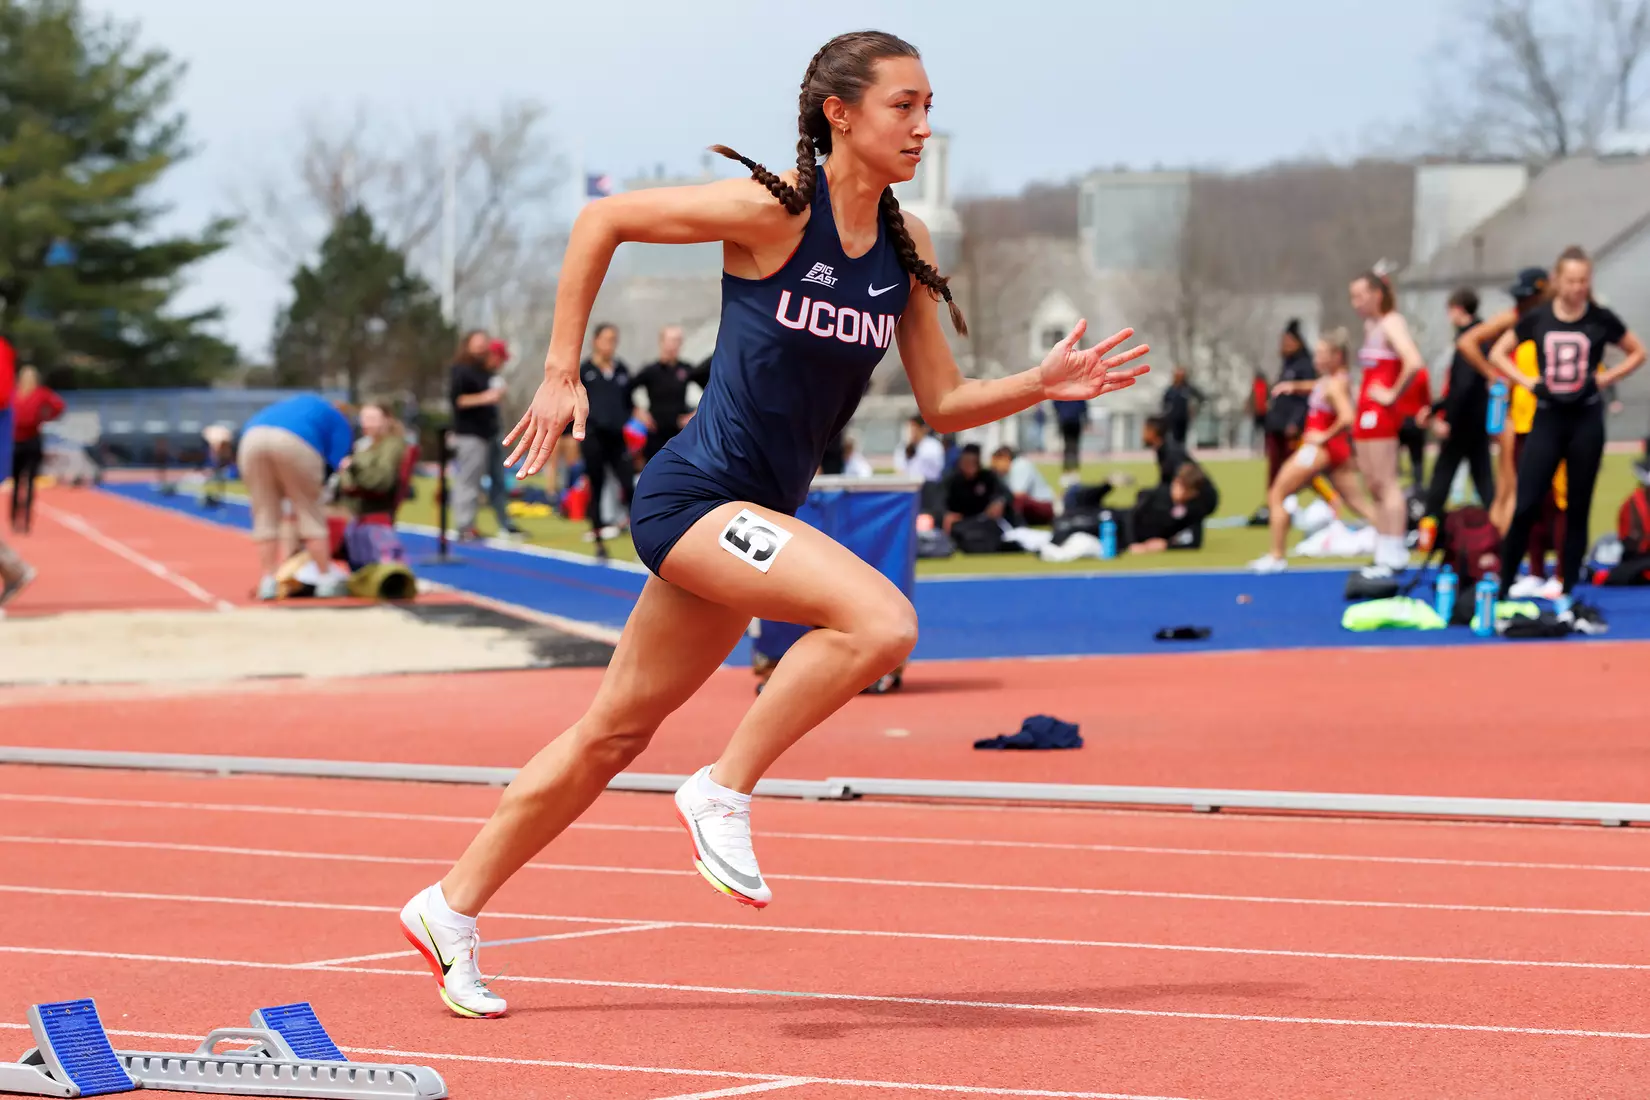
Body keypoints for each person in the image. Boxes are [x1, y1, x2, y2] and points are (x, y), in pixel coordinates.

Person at [394, 30, 1148, 1020]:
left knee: (610, 733)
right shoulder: (773, 215)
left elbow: (946, 400)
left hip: (752, 512)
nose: (923, 126)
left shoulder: (904, 243)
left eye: (930, 108)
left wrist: (1039, 383)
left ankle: (448, 905)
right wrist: (561, 368)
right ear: (840, 113)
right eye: (903, 106)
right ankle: (722, 789)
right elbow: (602, 219)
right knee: (879, 622)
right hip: (694, 496)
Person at [1489, 246, 1645, 607]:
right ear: (1557, 281)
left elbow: (1638, 352)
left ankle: (1567, 582)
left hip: (1585, 419)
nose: (1577, 288)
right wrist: (1526, 382)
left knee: (1577, 504)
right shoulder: (1539, 318)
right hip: (1548, 417)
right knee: (1526, 501)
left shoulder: (1601, 318)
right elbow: (1498, 352)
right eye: (1571, 280)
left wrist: (1605, 380)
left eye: (1583, 281)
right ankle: (1507, 581)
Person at [1249, 329, 1377, 573]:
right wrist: (1292, 386)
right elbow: (1317, 387)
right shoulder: (1330, 380)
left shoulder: (1335, 385)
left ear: (1337, 356)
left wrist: (1322, 436)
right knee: (1357, 503)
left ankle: (1277, 555)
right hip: (1332, 451)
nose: (1316, 359)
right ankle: (1391, 539)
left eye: (1322, 354)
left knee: (1277, 493)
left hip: (1320, 450)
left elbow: (1348, 417)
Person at [237, 393, 356, 601]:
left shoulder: (294, 404)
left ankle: (269, 580)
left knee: (265, 513)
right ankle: (325, 577)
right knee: (309, 510)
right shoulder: (338, 420)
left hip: (250, 439)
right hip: (296, 441)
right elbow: (333, 464)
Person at [1349, 270, 1426, 578]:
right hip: (1365, 412)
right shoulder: (1372, 326)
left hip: (1381, 414)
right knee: (1373, 484)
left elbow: (1414, 361)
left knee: (1387, 481)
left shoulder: (1392, 322)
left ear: (1376, 294)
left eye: (1359, 295)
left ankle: (1394, 551)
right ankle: (1383, 549)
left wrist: (1392, 393)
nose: (1355, 303)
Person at [1421, 288, 1497, 526]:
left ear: (1457, 309)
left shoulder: (1470, 340)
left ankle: (1428, 525)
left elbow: (1462, 386)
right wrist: (1436, 408)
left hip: (1464, 420)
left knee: (1443, 474)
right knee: (1483, 477)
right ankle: (1497, 523)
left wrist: (1447, 418)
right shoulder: (1484, 335)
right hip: (1477, 417)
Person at [578, 323, 641, 555]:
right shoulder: (585, 371)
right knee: (596, 486)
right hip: (593, 437)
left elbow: (629, 402)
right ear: (595, 341)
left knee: (629, 484)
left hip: (617, 437)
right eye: (606, 339)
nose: (610, 344)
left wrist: (639, 416)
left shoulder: (621, 370)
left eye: (614, 339)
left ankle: (641, 538)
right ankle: (598, 539)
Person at [447, 330, 501, 541]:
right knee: (467, 481)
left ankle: (470, 524)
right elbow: (458, 400)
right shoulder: (461, 370)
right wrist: (485, 397)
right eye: (477, 343)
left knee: (477, 482)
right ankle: (464, 526)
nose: (481, 347)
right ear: (467, 344)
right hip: (469, 434)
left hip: (485, 432)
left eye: (484, 343)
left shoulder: (484, 370)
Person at [632, 325, 709, 462]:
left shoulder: (686, 369)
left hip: (679, 432)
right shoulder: (651, 371)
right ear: (662, 341)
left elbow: (710, 390)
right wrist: (638, 412)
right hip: (656, 431)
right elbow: (626, 390)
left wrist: (694, 415)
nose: (674, 345)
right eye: (671, 340)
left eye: (678, 340)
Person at [8, 367, 65, 534]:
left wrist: (45, 417)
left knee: (27, 482)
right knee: (18, 482)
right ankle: (16, 518)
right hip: (17, 441)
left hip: (30, 440)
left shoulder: (40, 393)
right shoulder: (15, 393)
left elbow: (58, 405)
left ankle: (23, 519)